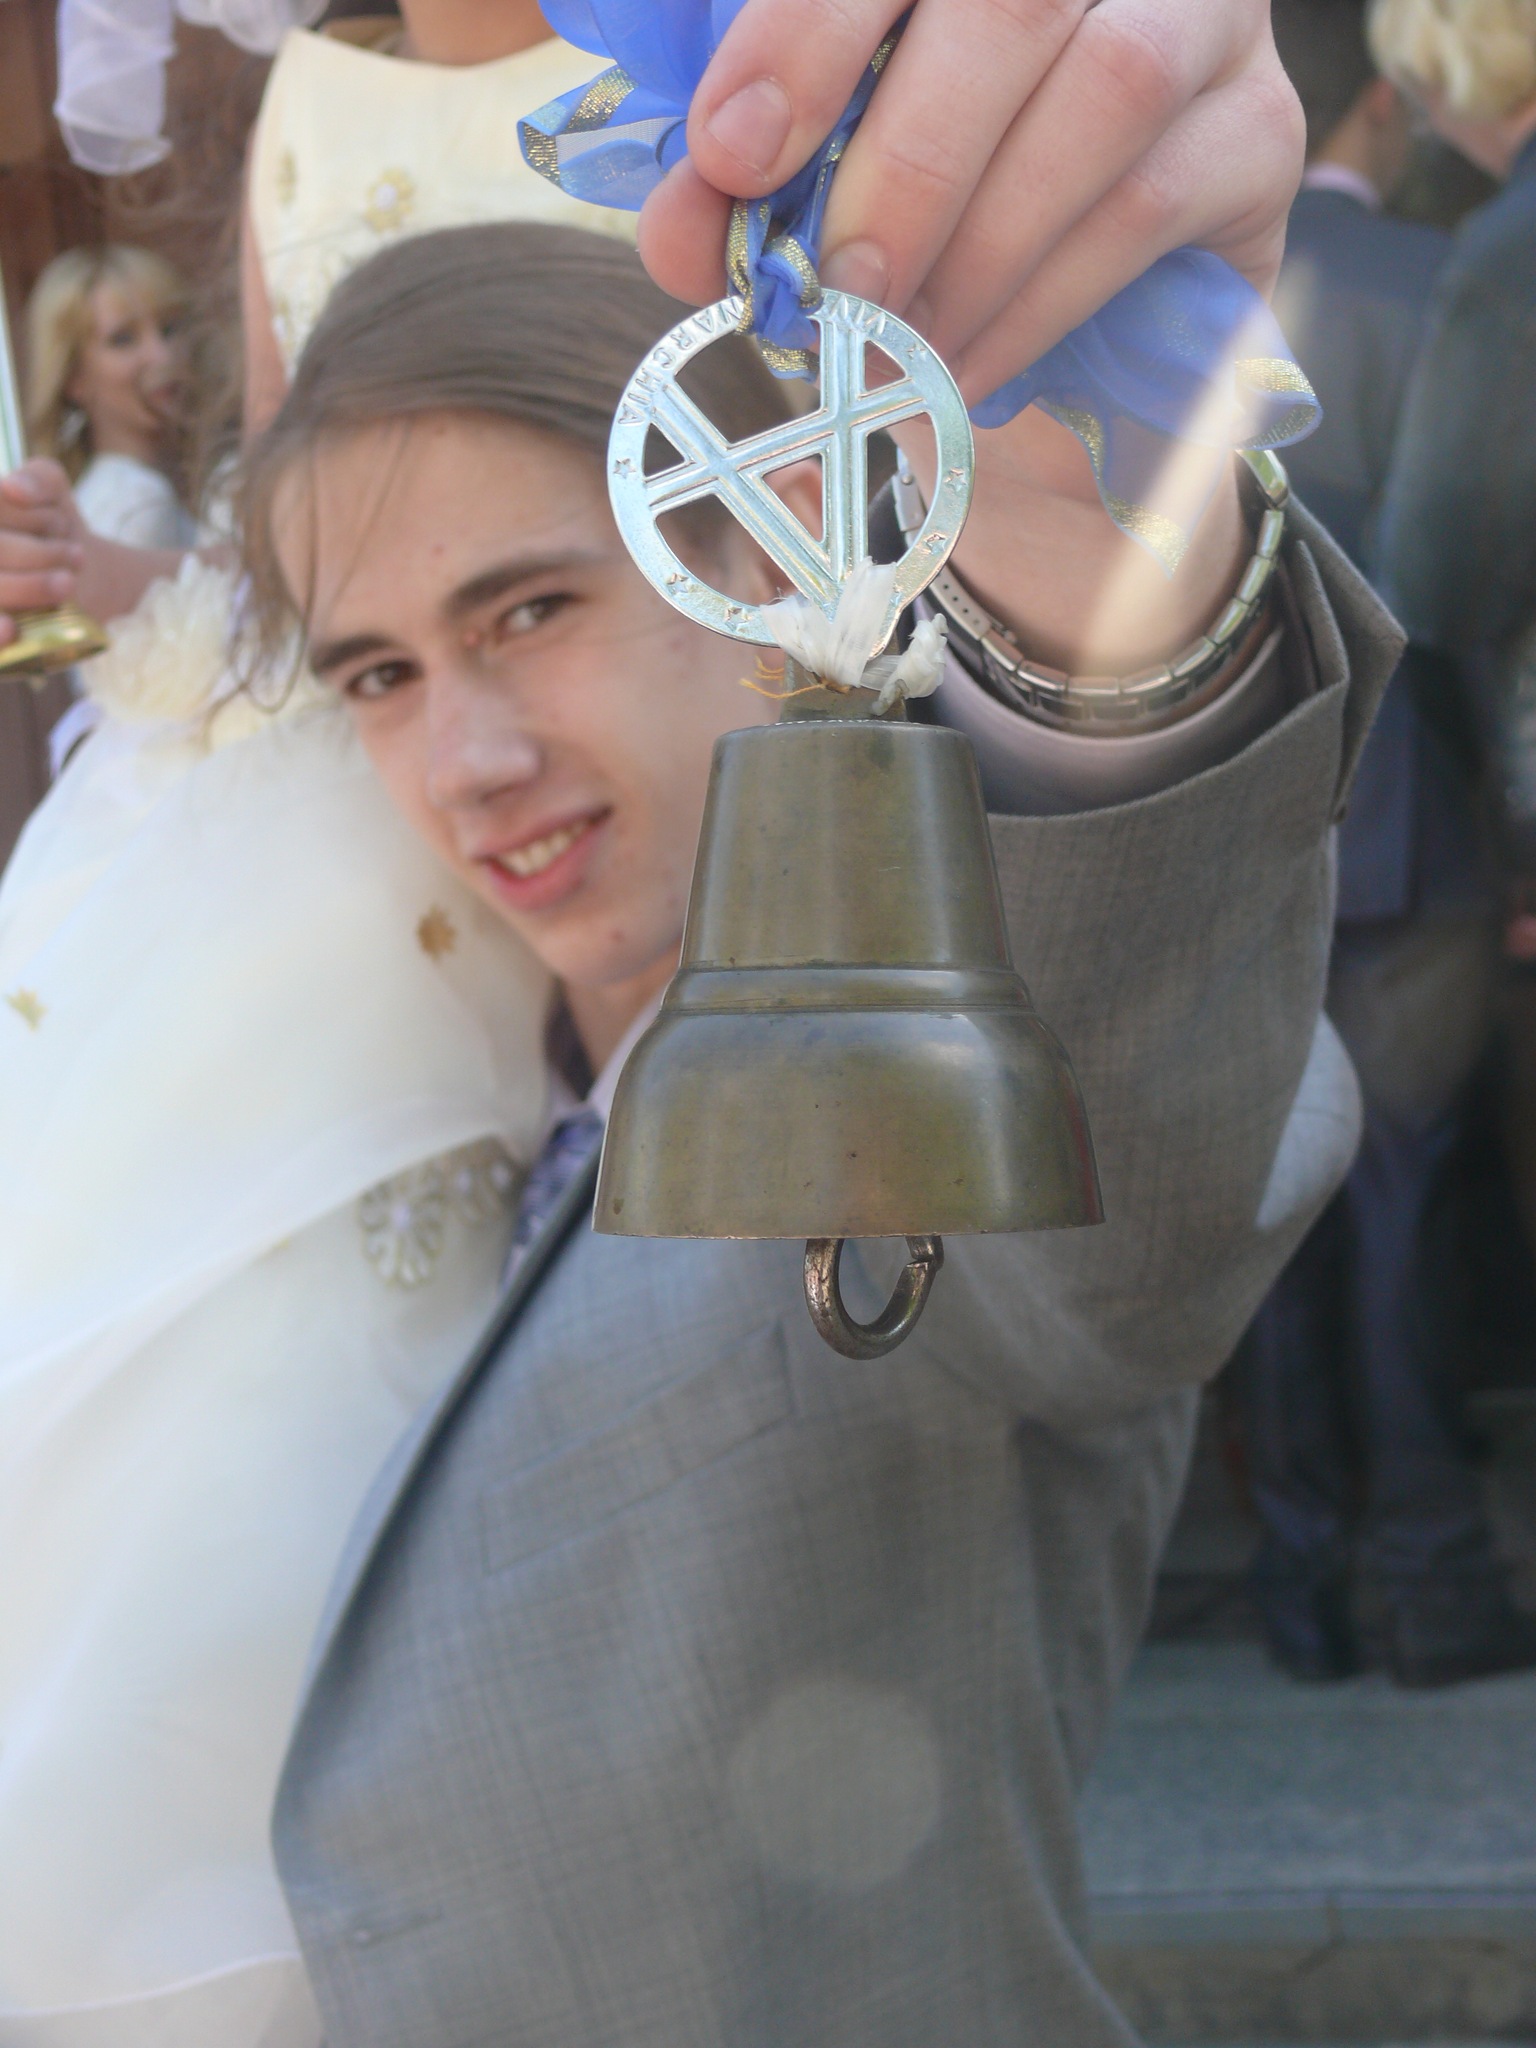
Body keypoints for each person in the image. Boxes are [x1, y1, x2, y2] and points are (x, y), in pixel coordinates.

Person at [241, 138, 1397, 2040]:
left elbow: (1124, 1208)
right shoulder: (430, 1099)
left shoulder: (915, 1086)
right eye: (378, 672)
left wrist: (1093, 612)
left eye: (531, 610)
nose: (467, 759)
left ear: (775, 538)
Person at [0, 6, 632, 2041]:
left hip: (593, 737)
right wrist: (123, 576)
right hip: (319, 767)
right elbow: (278, 559)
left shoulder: (683, 69)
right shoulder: (316, 110)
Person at [1240, 0, 1520, 1688]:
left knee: (1275, 1197)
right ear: (1372, 116)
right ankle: (1434, 1580)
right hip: (1411, 803)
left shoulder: (1174, 308)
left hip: (1230, 817)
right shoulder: (1439, 278)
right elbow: (1461, 588)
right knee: (1408, 1189)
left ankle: (1300, 1585)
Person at [23, 243, 195, 552]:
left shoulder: (108, 491)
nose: (161, 355)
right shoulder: (138, 503)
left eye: (170, 328)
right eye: (123, 339)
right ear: (74, 377)